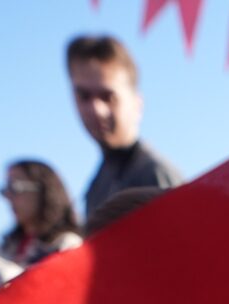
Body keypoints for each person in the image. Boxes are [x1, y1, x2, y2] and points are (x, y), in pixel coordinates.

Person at [67, 35, 183, 220]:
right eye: (84, 96)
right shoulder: (96, 186)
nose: (96, 109)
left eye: (108, 96)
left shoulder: (153, 175)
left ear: (137, 103)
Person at [0, 160, 84, 268]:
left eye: (15, 188)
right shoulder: (9, 247)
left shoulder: (67, 244)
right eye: (5, 190)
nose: (8, 196)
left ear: (44, 190)